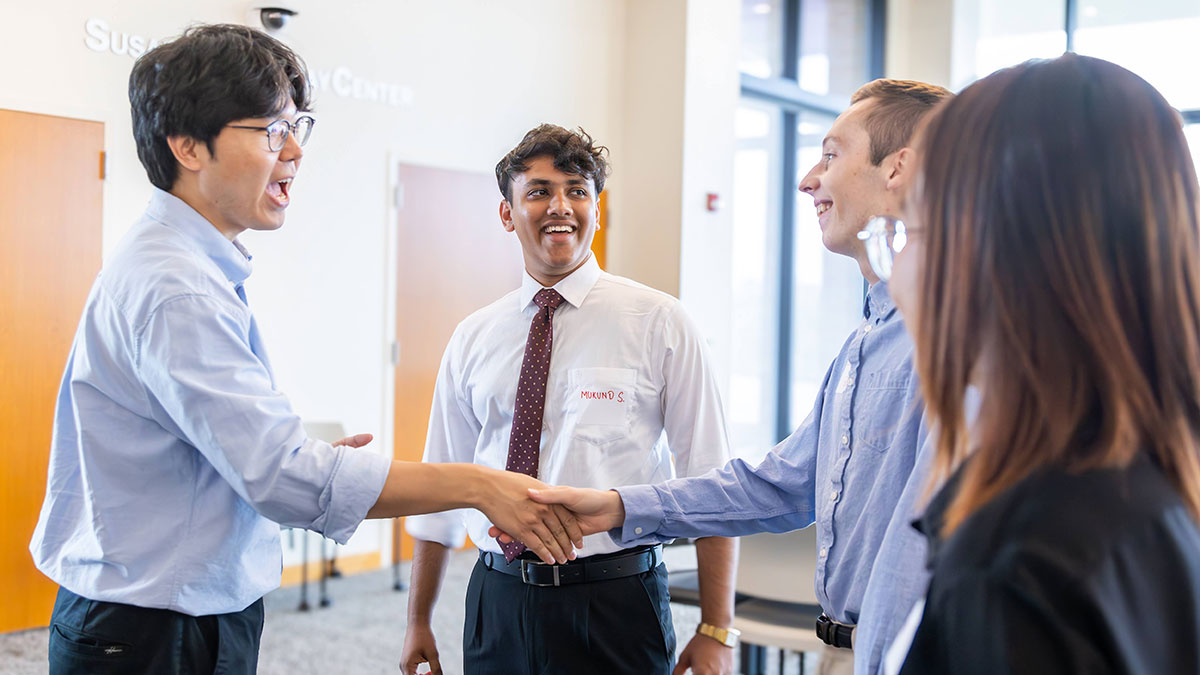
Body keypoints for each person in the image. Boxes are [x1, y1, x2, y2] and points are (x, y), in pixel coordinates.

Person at [28, 24, 578, 675]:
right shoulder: (175, 285)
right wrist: (481, 485)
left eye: (298, 126)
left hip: (171, 611)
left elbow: (238, 456)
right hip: (154, 629)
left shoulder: (191, 265)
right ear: (187, 146)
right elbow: (281, 476)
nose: (294, 150)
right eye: (269, 130)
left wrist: (302, 462)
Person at [498, 80, 953, 675]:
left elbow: (927, 549)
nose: (808, 178)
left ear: (899, 169)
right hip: (848, 650)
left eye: (831, 154)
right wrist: (617, 506)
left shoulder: (954, 340)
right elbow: (780, 487)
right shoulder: (863, 344)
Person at [880, 53, 1200, 674]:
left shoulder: (1017, 562)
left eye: (910, 231)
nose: (898, 277)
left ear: (995, 257)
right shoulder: (1152, 491)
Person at [401, 124, 737, 675]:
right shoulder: (474, 335)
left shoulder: (659, 322)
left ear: (596, 210)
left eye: (577, 190)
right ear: (507, 214)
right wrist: (418, 619)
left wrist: (716, 628)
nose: (561, 206)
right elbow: (441, 481)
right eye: (538, 191)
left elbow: (711, 480)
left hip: (616, 601)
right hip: (498, 597)